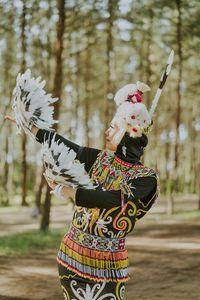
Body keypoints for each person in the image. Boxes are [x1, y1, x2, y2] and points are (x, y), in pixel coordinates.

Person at [5, 81, 159, 300]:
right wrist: (30, 126)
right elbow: (65, 145)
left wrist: (70, 192)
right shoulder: (99, 159)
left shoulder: (145, 178)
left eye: (114, 127)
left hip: (109, 267)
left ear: (129, 133)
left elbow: (114, 200)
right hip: (71, 257)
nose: (107, 131)